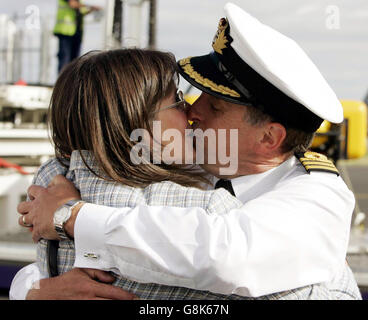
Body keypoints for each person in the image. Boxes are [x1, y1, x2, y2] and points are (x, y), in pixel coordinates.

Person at [13, 3, 361, 299]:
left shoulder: (316, 197)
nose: (192, 112)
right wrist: (36, 289)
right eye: (187, 97)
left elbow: (222, 256)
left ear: (269, 138)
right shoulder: (183, 163)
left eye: (215, 107)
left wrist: (71, 217)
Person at [54, 0, 101, 73]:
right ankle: (62, 82)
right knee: (65, 60)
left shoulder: (80, 2)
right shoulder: (77, 2)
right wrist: (91, 6)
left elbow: (82, 11)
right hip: (66, 32)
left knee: (75, 61)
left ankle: (72, 82)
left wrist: (92, 9)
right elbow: (72, 4)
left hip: (77, 33)